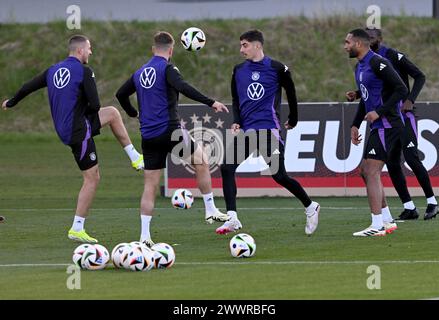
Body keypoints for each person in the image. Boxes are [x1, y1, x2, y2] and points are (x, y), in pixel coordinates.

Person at [1, 35, 144, 243]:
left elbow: (27, 86)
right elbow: (94, 105)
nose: (91, 52)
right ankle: (77, 228)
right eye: (89, 48)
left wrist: (11, 103)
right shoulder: (84, 71)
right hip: (78, 130)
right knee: (92, 178)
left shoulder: (52, 70)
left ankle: (135, 158)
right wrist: (83, 111)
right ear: (80, 51)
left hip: (65, 129)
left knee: (112, 113)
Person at [115, 31, 230, 246]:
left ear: (153, 49)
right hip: (171, 131)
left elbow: (121, 94)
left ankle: (144, 236)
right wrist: (210, 102)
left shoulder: (139, 73)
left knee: (150, 185)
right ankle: (210, 209)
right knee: (202, 160)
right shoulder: (168, 69)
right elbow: (183, 87)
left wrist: (131, 113)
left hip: (148, 136)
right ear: (171, 50)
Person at [217, 29, 320, 236]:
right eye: (240, 45)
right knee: (227, 167)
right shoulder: (238, 70)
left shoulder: (277, 68)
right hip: (247, 131)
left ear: (257, 45)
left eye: (244, 45)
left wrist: (294, 118)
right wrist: (236, 121)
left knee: (280, 176)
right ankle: (233, 218)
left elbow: (291, 92)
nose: (241, 49)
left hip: (268, 130)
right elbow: (237, 100)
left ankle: (310, 206)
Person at [346, 28, 439, 221]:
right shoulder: (364, 62)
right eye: (368, 38)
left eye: (373, 38)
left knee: (412, 158)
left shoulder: (391, 56)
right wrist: (357, 94)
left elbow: (419, 76)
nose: (370, 41)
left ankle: (432, 202)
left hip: (402, 115)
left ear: (379, 39)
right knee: (392, 163)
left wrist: (410, 100)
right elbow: (372, 90)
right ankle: (409, 207)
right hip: (385, 117)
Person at [344, 29, 408, 236]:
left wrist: (379, 112)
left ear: (359, 44)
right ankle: (387, 219)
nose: (345, 46)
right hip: (378, 125)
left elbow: (401, 89)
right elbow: (367, 98)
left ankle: (377, 225)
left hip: (388, 124)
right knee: (366, 171)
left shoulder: (377, 62)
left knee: (371, 171)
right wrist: (355, 124)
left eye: (348, 42)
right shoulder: (359, 67)